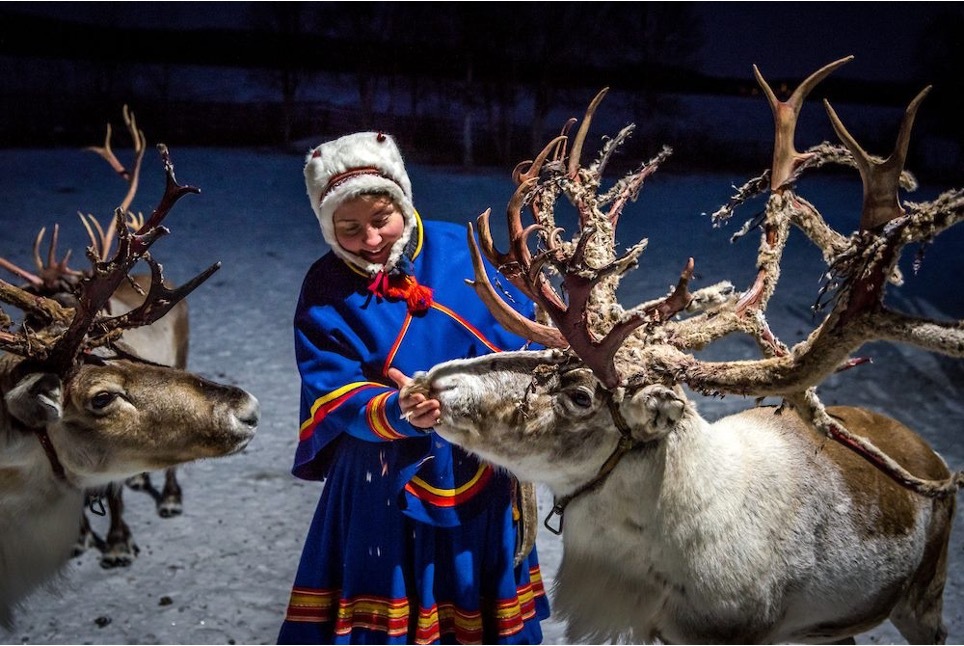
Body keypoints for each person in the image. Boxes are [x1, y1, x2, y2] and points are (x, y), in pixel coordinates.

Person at [278, 131, 550, 645]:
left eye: (381, 220)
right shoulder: (325, 287)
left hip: (480, 463)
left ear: (403, 201)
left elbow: (524, 340)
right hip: (378, 477)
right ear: (327, 226)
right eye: (349, 228)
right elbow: (331, 388)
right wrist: (392, 409)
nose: (372, 239)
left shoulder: (464, 253)